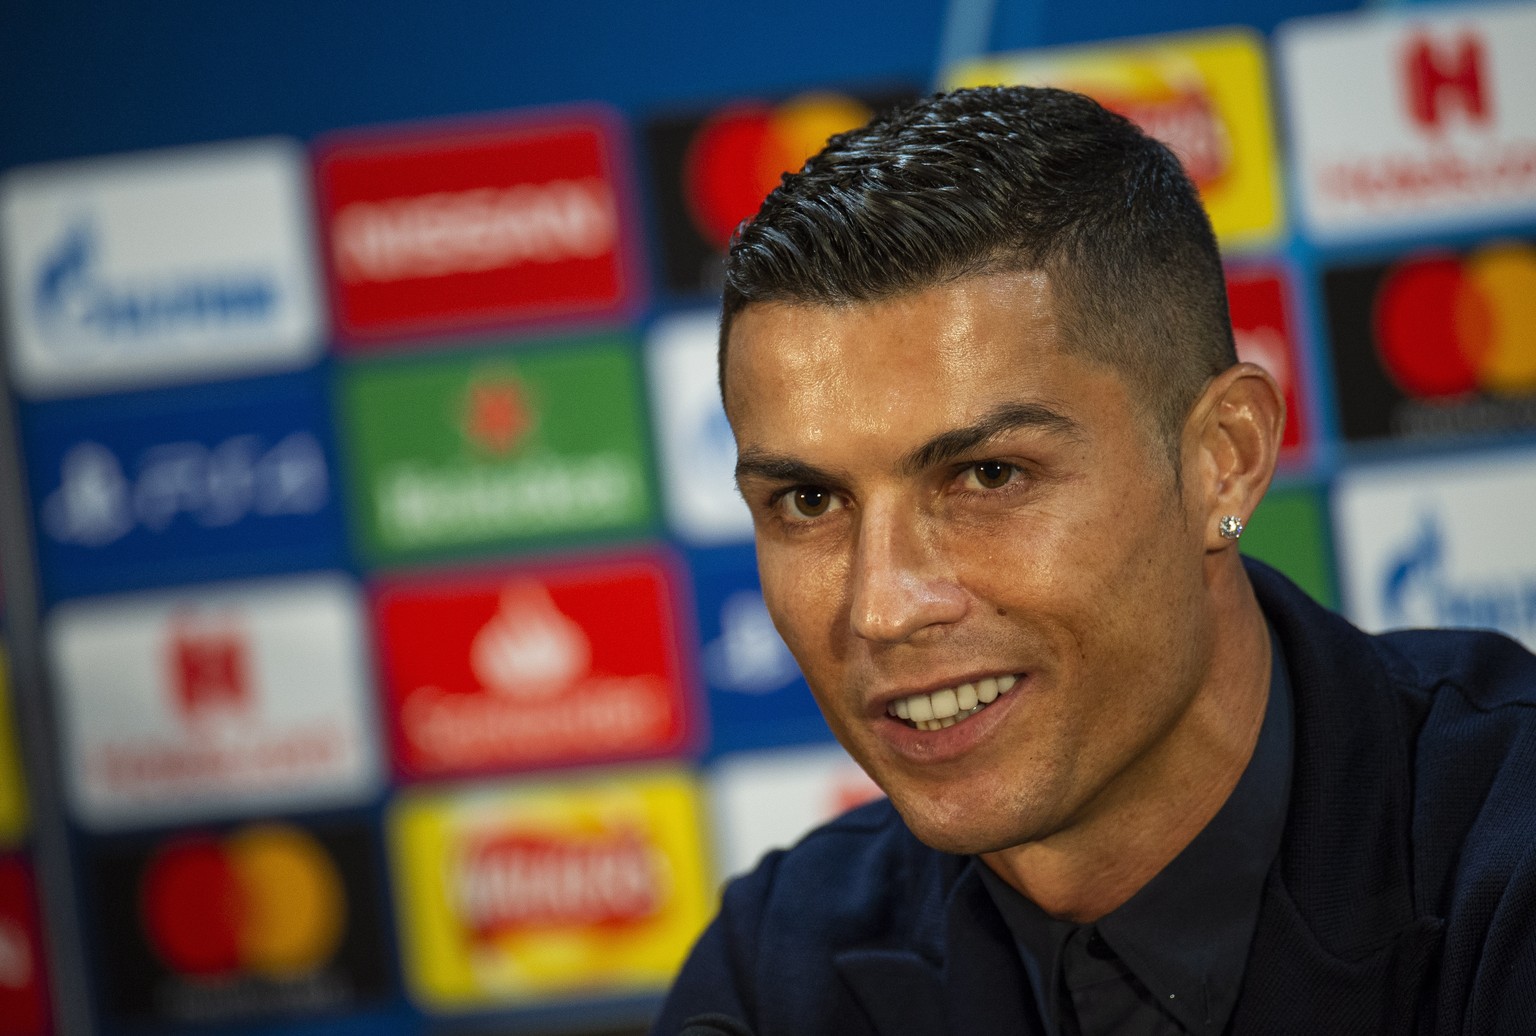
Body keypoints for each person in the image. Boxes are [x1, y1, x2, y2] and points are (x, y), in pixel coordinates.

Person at [653, 85, 1536, 1036]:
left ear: (1222, 464)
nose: (883, 607)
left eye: (987, 476)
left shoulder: (1508, 854)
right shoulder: (777, 971)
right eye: (811, 501)